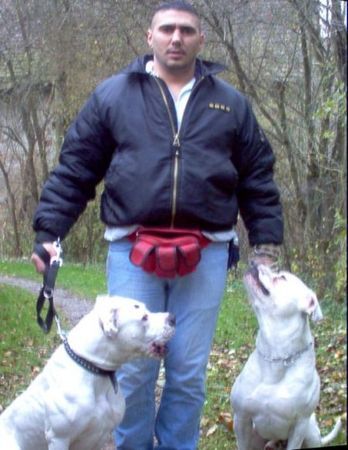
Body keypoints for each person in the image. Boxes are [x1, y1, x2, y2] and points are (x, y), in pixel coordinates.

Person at [31, 1, 283, 449]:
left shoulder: (230, 103)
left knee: (186, 371)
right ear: (150, 37)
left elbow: (258, 178)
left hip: (206, 252)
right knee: (134, 370)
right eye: (166, 28)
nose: (176, 37)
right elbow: (76, 168)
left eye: (187, 30)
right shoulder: (113, 95)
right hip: (131, 250)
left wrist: (265, 248)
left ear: (201, 40)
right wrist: (49, 231)